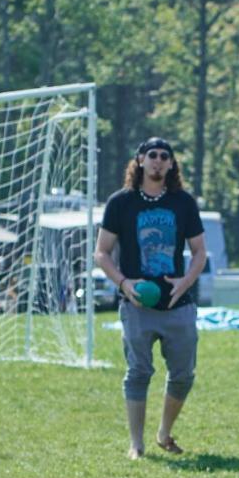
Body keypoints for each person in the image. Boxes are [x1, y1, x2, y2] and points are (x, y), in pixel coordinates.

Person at [94, 137, 208, 459]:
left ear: (171, 164)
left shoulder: (183, 202)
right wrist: (124, 284)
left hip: (177, 304)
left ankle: (164, 432)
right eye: (152, 155)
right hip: (137, 306)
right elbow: (101, 253)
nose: (158, 161)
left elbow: (199, 252)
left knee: (184, 375)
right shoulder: (121, 202)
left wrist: (185, 282)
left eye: (164, 156)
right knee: (138, 373)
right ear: (140, 160)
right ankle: (137, 444)